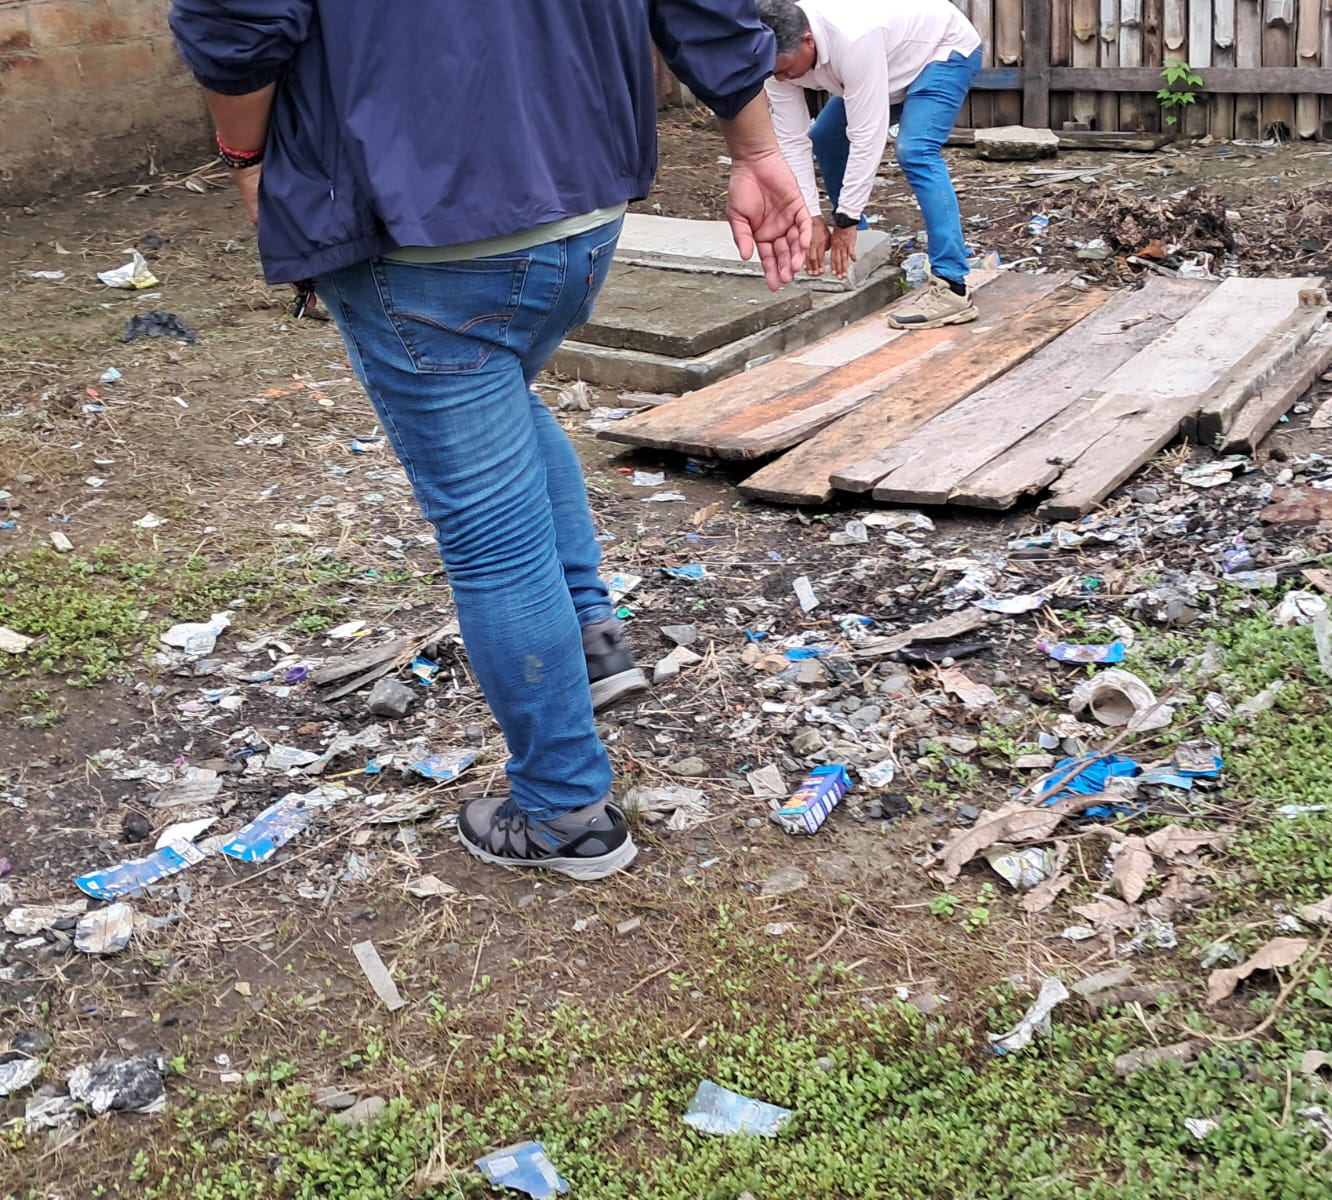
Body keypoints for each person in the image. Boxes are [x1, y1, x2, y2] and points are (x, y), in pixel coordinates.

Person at [168, 0, 810, 881]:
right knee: (505, 400)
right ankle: (589, 637)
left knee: (492, 543)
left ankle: (563, 813)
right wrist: (755, 148)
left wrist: (247, 157)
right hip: (582, 206)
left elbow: (232, 20)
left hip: (420, 228)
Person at [755, 0, 983, 330]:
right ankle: (859, 248)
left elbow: (867, 136)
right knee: (826, 138)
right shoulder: (773, 60)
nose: (779, 78)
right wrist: (810, 217)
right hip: (886, 61)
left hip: (942, 49)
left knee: (916, 150)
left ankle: (952, 287)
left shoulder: (853, 38)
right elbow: (792, 140)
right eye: (772, 72)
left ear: (808, 41)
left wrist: (844, 219)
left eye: (785, 69)